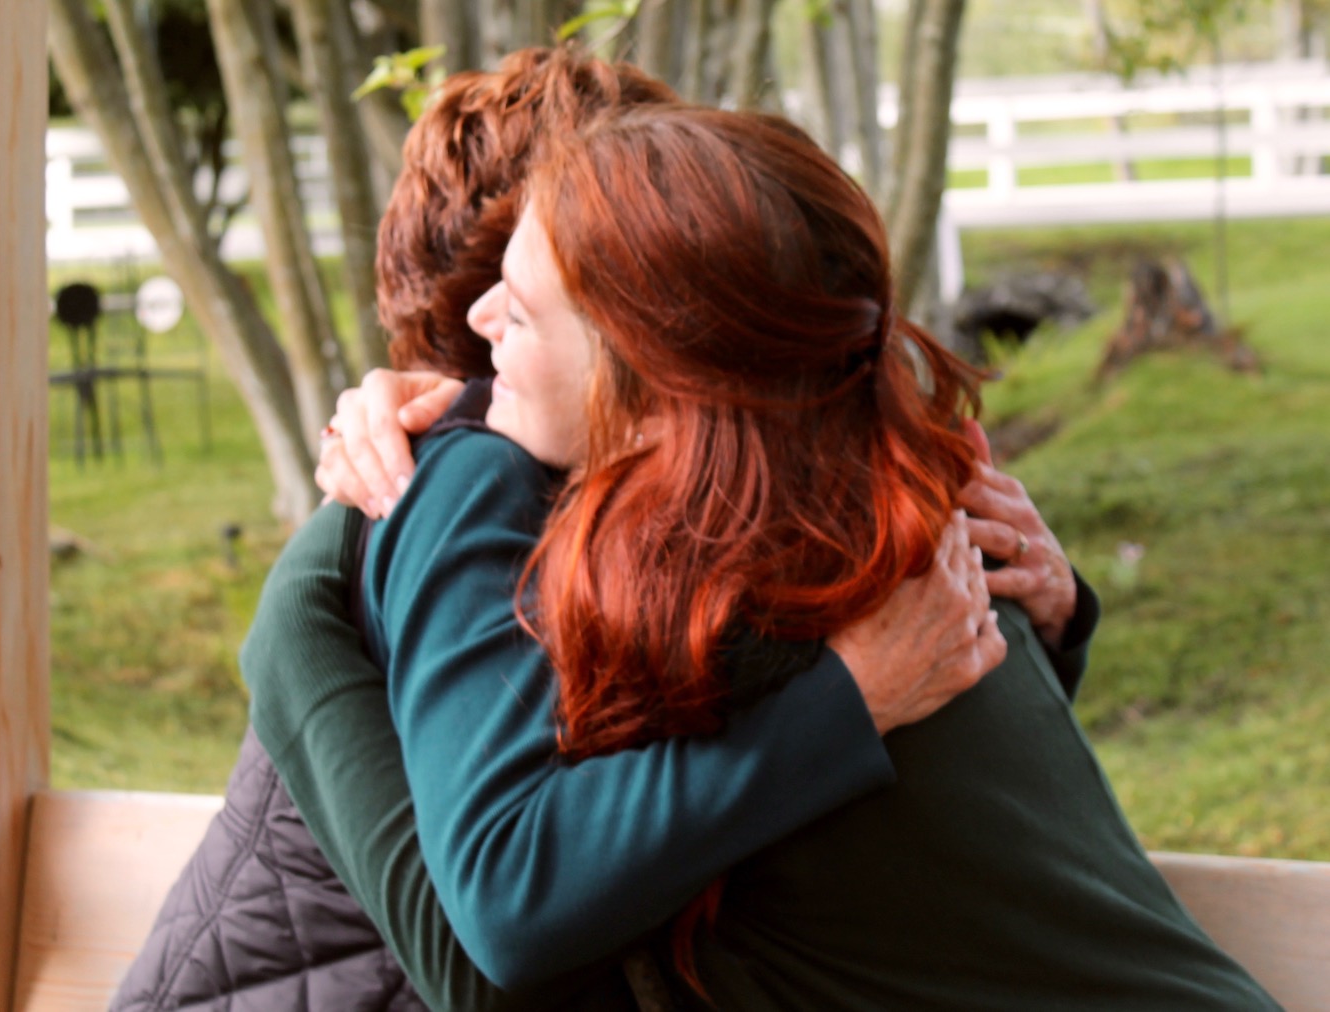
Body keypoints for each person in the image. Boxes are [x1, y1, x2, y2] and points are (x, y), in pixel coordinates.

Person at [115, 48, 1091, 1012]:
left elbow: (834, 813)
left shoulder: (654, 510)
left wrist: (1035, 621)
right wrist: (296, 617)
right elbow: (485, 958)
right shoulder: (472, 486)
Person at [249, 103, 1280, 1009]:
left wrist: (321, 581)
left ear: (658, 385)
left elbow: (508, 914)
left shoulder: (723, 594)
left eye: (517, 311)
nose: (475, 336)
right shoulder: (873, 507)